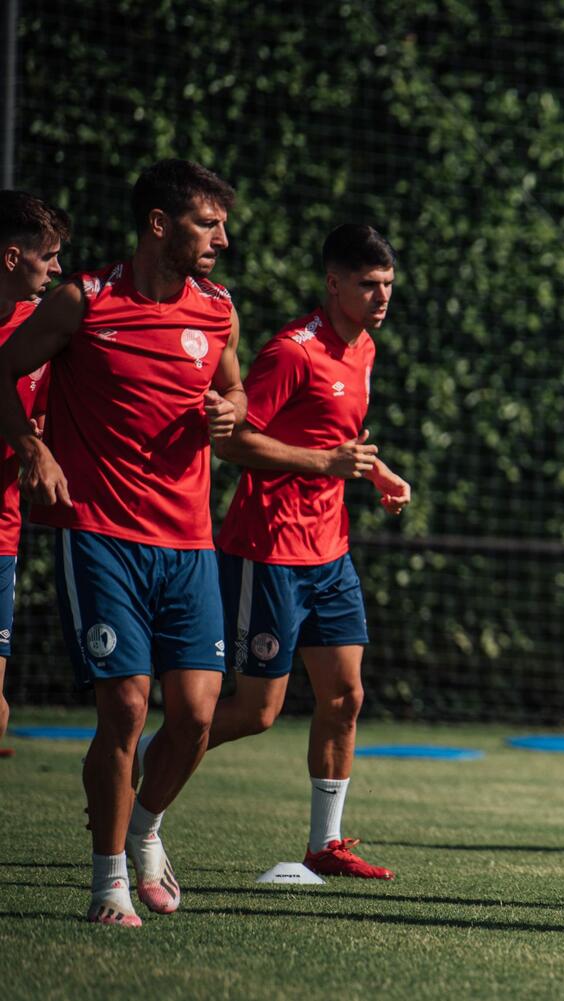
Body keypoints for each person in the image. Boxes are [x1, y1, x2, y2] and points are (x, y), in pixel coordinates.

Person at [0, 159, 245, 926]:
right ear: (159, 225)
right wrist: (32, 447)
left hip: (190, 543)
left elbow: (234, 389)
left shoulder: (218, 310)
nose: (221, 240)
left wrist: (231, 410)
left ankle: (145, 830)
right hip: (101, 536)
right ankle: (108, 881)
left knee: (198, 715)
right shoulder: (85, 299)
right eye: (208, 224)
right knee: (127, 706)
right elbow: (4, 368)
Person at [191, 224, 409, 879]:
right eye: (368, 285)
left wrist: (375, 471)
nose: (381, 297)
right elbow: (231, 442)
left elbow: (337, 439)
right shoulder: (292, 352)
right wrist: (325, 464)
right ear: (333, 283)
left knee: (345, 696)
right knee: (257, 712)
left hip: (330, 552)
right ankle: (141, 765)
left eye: (388, 285)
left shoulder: (365, 347)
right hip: (269, 550)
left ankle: (325, 845)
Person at [0, 191, 69, 759]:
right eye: (48, 256)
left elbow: (45, 413)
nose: (57, 269)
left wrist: (39, 439)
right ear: (11, 257)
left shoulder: (42, 329)